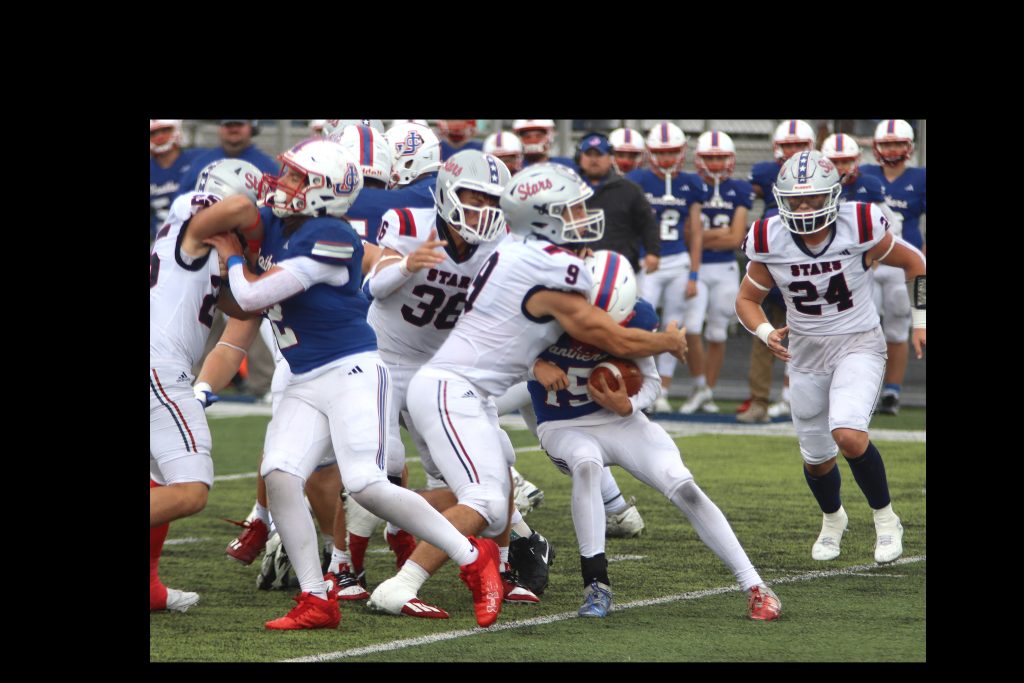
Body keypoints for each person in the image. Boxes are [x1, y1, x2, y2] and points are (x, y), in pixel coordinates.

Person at [200, 138, 504, 630]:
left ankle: (473, 557)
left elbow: (254, 297)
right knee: (279, 473)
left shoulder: (332, 235)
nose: (284, 183)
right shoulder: (280, 222)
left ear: (323, 191)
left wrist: (233, 258)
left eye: (297, 178)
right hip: (304, 375)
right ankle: (316, 598)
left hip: (352, 371)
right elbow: (242, 220)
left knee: (366, 483)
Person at [367, 162, 688, 619]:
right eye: (570, 210)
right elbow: (607, 336)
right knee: (484, 501)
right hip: (451, 388)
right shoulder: (543, 264)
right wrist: (666, 342)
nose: (581, 218)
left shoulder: (517, 251)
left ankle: (387, 515)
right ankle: (402, 585)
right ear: (541, 217)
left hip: (467, 389)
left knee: (498, 506)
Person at [528, 250, 781, 620]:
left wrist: (627, 404)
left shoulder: (640, 315)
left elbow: (651, 383)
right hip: (563, 423)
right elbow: (501, 356)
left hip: (620, 421)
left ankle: (755, 584)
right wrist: (534, 366)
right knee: (586, 464)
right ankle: (596, 584)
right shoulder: (548, 310)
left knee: (684, 486)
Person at [735, 150, 925, 564]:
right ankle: (833, 518)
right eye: (796, 200)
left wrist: (921, 320)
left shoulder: (859, 224)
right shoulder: (768, 237)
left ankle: (886, 519)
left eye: (813, 199)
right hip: (805, 353)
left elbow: (915, 263)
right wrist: (766, 331)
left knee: (849, 434)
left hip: (858, 343)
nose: (804, 208)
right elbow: (747, 300)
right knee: (817, 459)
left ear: (833, 195)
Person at [150, 158, 264, 613]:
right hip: (160, 368)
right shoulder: (195, 221)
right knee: (191, 490)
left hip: (163, 367)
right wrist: (262, 227)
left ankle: (150, 587)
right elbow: (239, 209)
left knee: (159, 479)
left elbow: (243, 312)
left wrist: (245, 263)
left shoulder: (202, 247)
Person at [625, 122, 708, 412]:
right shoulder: (637, 179)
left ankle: (664, 390)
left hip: (678, 262)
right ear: (650, 152)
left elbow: (695, 232)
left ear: (682, 151)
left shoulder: (691, 183)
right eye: (661, 152)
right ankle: (641, 384)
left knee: (674, 325)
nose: (666, 157)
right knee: (642, 322)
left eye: (672, 151)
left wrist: (694, 273)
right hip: (648, 263)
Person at [738, 119, 817, 423]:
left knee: (810, 337)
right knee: (765, 333)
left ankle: (797, 398)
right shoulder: (764, 173)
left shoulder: (822, 170)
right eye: (788, 145)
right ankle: (759, 399)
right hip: (776, 259)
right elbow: (746, 198)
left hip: (812, 264)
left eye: (799, 145)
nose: (793, 150)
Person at [677, 131, 753, 415]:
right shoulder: (690, 186)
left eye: (720, 158)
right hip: (695, 267)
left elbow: (736, 239)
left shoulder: (739, 189)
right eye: (710, 158)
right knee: (692, 328)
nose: (716, 164)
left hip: (725, 268)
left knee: (718, 331)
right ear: (699, 160)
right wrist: (717, 233)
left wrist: (702, 236)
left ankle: (707, 391)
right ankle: (700, 386)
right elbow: (686, 236)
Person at [860, 119, 926, 415]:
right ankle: (866, 389)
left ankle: (892, 391)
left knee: (898, 328)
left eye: (898, 143)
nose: (892, 149)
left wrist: (922, 256)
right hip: (869, 263)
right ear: (876, 147)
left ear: (909, 146)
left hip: (903, 264)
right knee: (865, 328)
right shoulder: (864, 175)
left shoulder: (920, 178)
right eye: (887, 144)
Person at [576, 132, 660, 275]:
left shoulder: (629, 189)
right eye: (588, 154)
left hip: (621, 266)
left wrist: (653, 252)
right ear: (580, 157)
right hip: (579, 265)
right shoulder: (570, 188)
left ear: (610, 158)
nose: (593, 160)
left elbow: (648, 223)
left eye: (599, 154)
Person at [177, 120, 278, 200]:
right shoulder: (200, 163)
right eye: (228, 124)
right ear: (220, 128)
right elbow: (180, 205)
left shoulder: (268, 167)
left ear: (251, 126)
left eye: (239, 124)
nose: (234, 129)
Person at [150, 119, 203, 241]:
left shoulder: (199, 159)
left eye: (165, 130)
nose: (159, 137)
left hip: (199, 236)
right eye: (153, 133)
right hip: (161, 241)